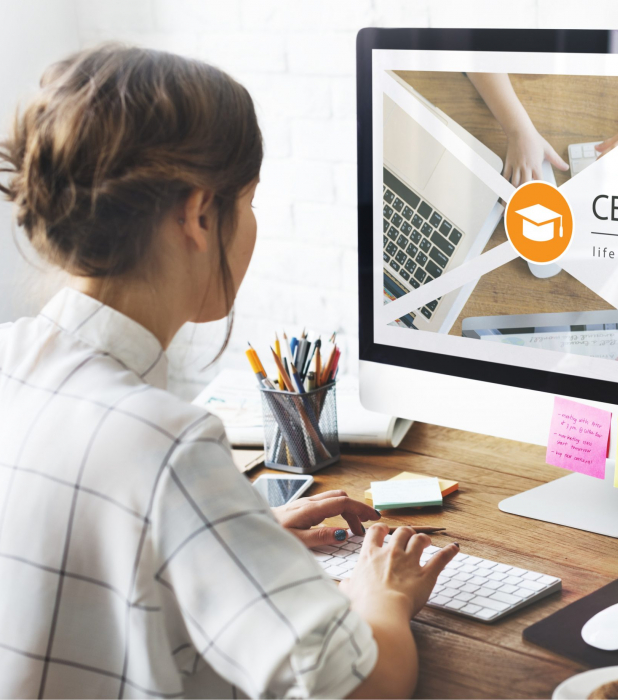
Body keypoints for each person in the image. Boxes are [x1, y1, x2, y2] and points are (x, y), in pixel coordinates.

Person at [0, 45, 457, 699]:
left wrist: (235, 537)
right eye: (248, 200)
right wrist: (380, 594)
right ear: (197, 213)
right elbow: (365, 687)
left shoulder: (10, 361)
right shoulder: (165, 443)